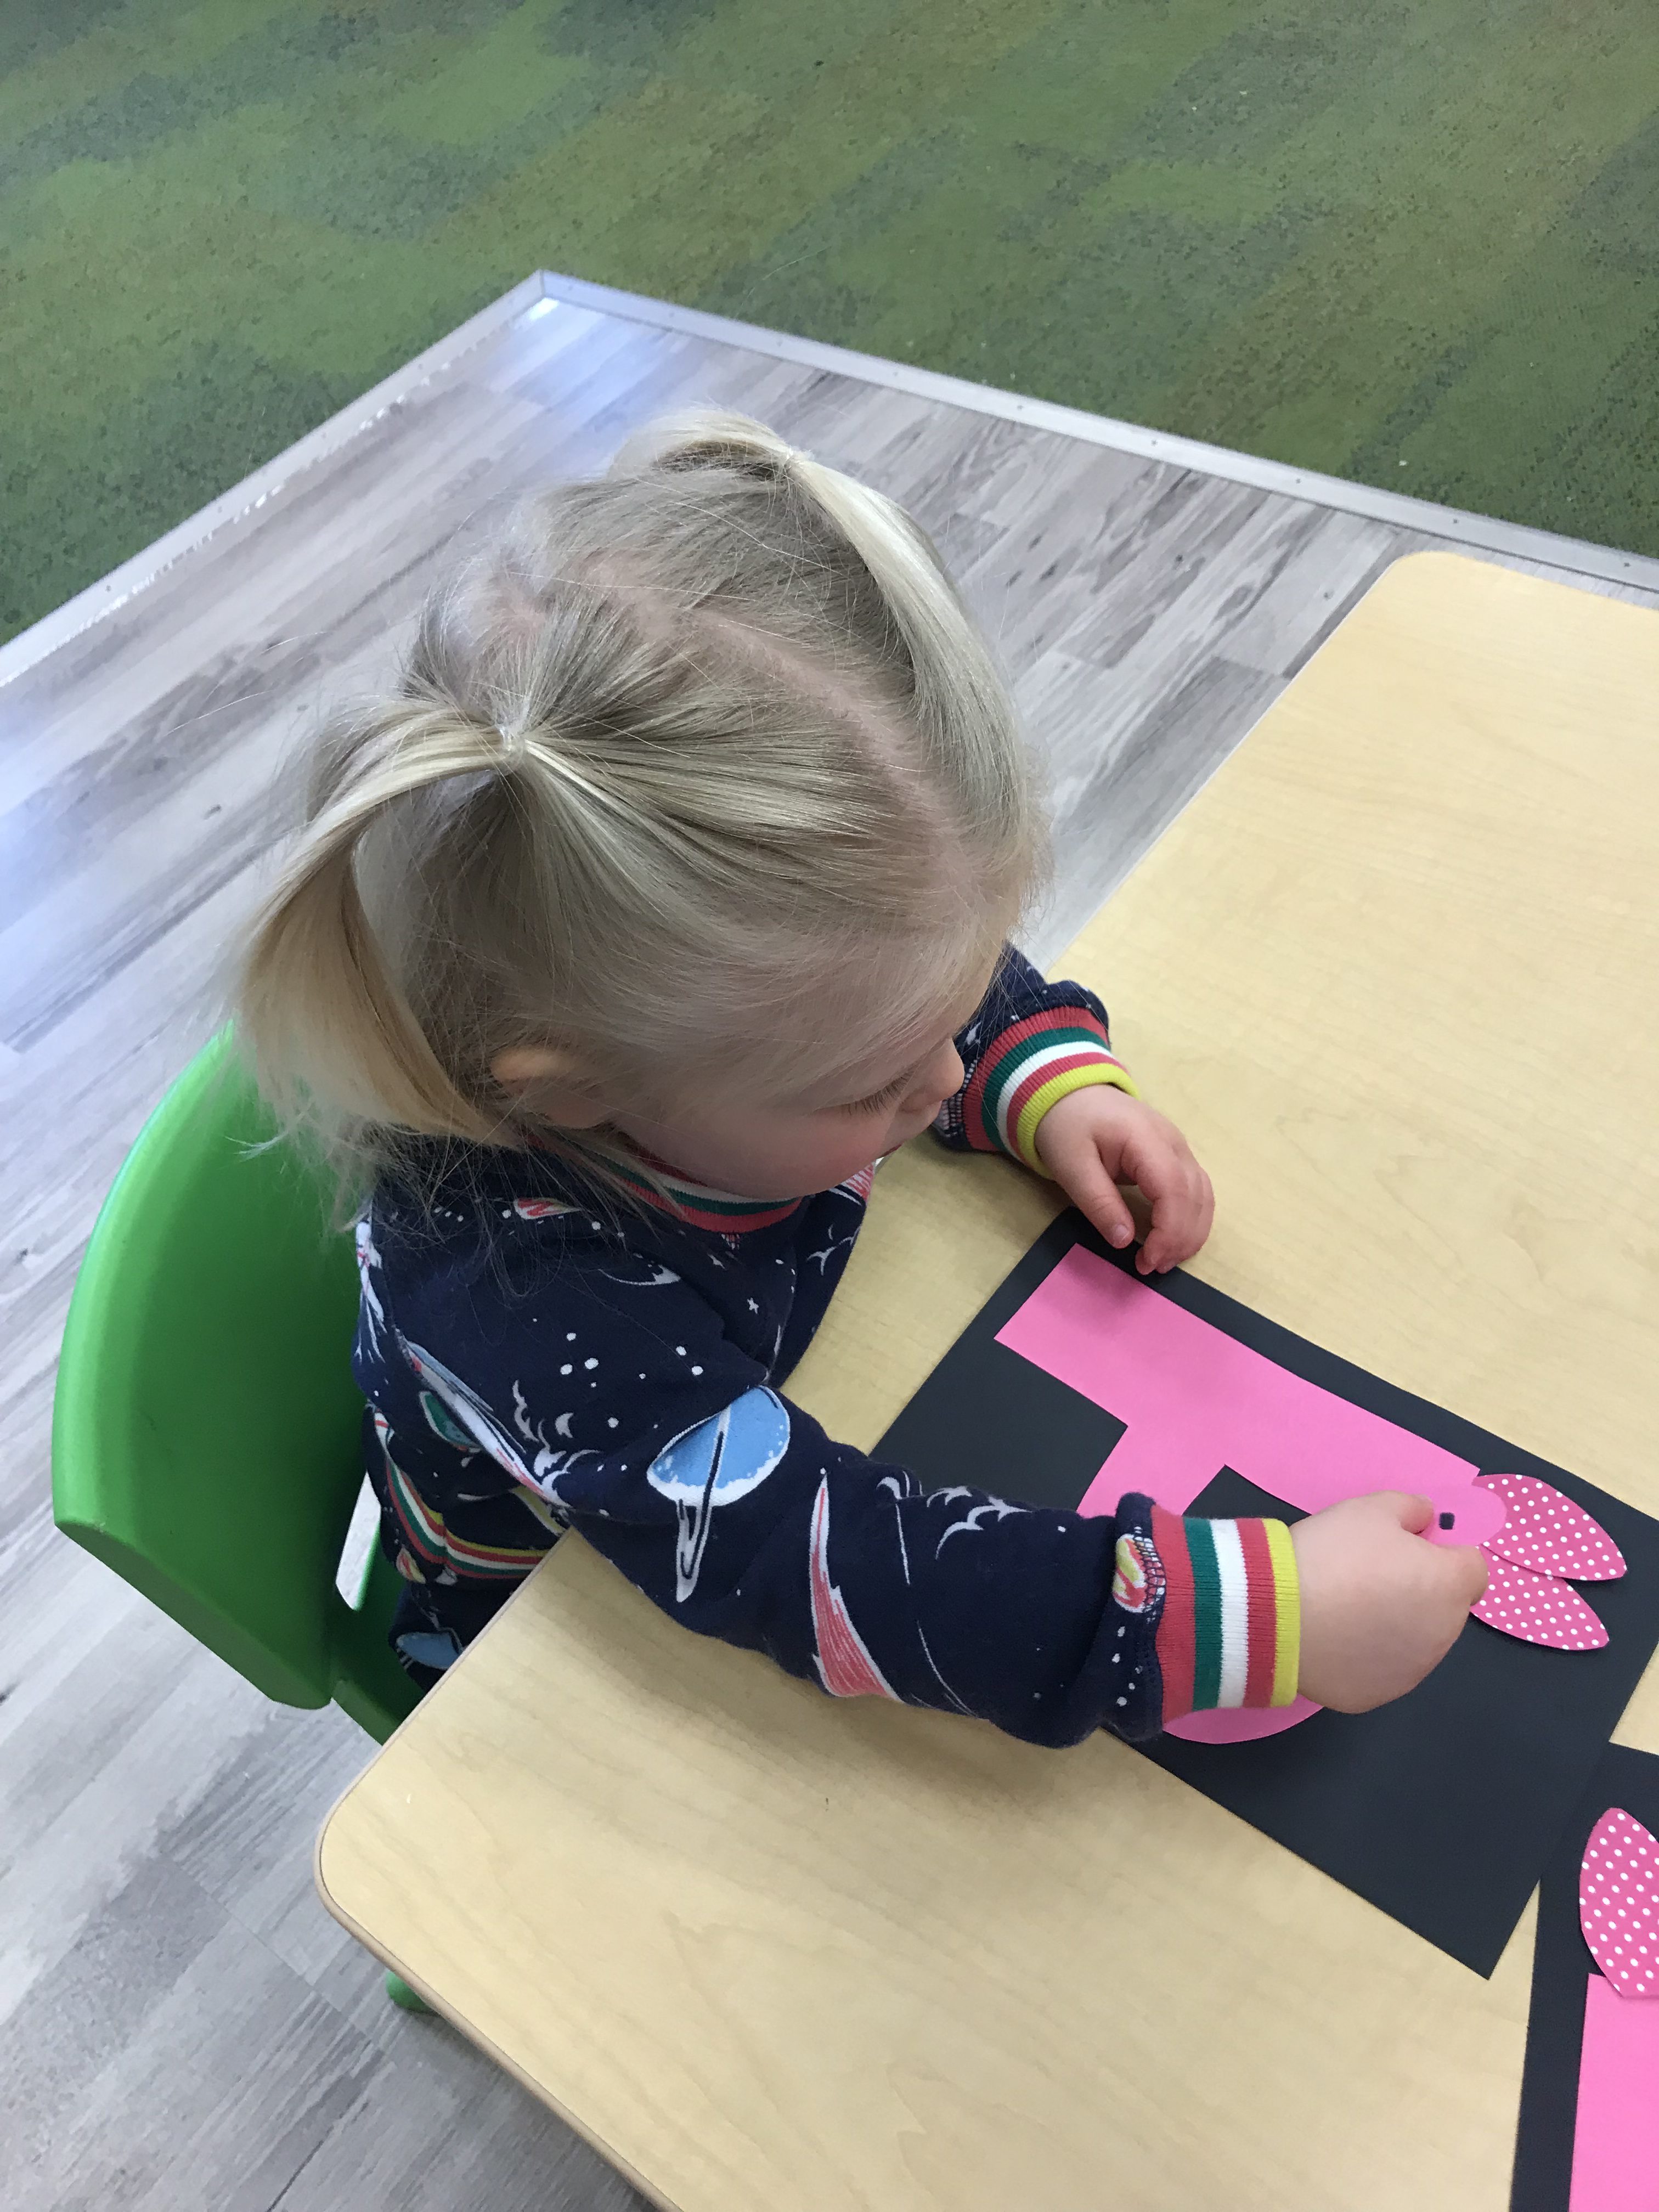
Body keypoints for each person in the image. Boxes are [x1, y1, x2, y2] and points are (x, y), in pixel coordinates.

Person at [236, 411, 1486, 1745]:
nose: (938, 1075)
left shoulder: (736, 1017)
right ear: (574, 1092)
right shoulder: (522, 1295)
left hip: (806, 1383)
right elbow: (824, 1566)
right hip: (562, 1651)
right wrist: (1247, 1617)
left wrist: (1043, 1077)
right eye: (869, 1082)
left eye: (945, 1018)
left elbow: (911, 975)